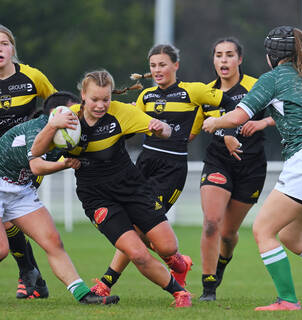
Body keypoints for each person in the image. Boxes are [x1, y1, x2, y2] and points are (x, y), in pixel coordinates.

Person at [31, 69, 194, 308]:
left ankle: (178, 260)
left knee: (168, 246)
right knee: (137, 253)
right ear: (83, 95)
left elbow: (167, 132)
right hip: (96, 197)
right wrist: (51, 126)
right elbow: (36, 153)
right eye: (95, 99)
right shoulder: (67, 120)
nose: (100, 105)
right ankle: (180, 294)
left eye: (105, 99)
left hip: (132, 187)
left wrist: (162, 128)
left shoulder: (121, 113)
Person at [87, 44, 237, 296]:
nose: (157, 70)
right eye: (153, 66)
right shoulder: (145, 97)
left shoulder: (194, 91)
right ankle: (177, 261)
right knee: (133, 227)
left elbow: (231, 104)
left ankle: (106, 283)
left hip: (172, 169)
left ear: (176, 65)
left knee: (137, 229)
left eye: (163, 64)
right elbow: (125, 128)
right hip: (143, 165)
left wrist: (228, 132)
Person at [202, 26, 302, 311]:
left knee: (263, 229)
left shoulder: (274, 78)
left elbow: (238, 116)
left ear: (271, 55)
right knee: (292, 236)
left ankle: (288, 301)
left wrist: (215, 122)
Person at [0, 91, 120, 305]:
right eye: (74, 110)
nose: (79, 114)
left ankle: (83, 295)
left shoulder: (68, 134)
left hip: (19, 190)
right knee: (1, 249)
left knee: (53, 242)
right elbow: (36, 166)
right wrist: (63, 165)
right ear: (57, 113)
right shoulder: (38, 128)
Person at [189, 37, 275, 301]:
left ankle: (222, 264)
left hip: (251, 168)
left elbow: (284, 114)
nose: (223, 60)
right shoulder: (205, 93)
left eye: (229, 55)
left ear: (239, 59)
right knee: (212, 223)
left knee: (228, 234)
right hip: (218, 162)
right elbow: (192, 130)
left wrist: (261, 124)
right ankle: (208, 287)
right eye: (218, 55)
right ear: (213, 60)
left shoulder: (257, 86)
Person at [0, 24, 57, 299]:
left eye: (4, 43)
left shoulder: (32, 76)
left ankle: (29, 274)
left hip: (26, 160)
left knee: (11, 219)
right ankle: (32, 276)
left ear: (12, 48)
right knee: (8, 221)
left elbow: (59, 106)